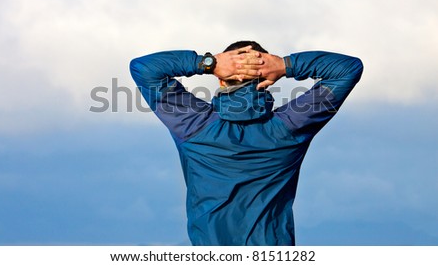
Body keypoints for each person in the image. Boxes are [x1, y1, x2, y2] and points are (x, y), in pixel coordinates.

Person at [129, 41, 363, 245]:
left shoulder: (192, 125)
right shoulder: (292, 126)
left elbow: (144, 68)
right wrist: (285, 65)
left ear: (220, 80)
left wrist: (207, 63)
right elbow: (347, 69)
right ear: (268, 80)